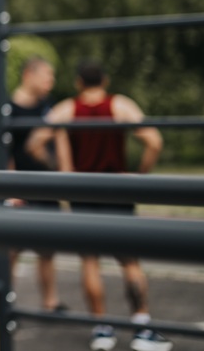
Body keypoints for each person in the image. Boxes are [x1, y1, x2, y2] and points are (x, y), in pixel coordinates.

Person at [45, 59, 171, 351]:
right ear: (105, 80)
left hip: (82, 192)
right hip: (117, 190)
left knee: (90, 262)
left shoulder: (66, 109)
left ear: (78, 82)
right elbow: (154, 141)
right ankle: (142, 328)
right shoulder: (120, 105)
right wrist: (140, 176)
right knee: (130, 262)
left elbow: (36, 141)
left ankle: (102, 330)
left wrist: (61, 169)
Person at [4, 56, 68, 312]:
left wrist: (63, 176)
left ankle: (50, 302)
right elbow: (4, 153)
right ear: (29, 75)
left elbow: (59, 140)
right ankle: (4, 301)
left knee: (48, 250)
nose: (51, 82)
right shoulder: (8, 109)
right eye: (47, 76)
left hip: (46, 187)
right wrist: (11, 191)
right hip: (20, 189)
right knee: (11, 251)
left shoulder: (47, 107)